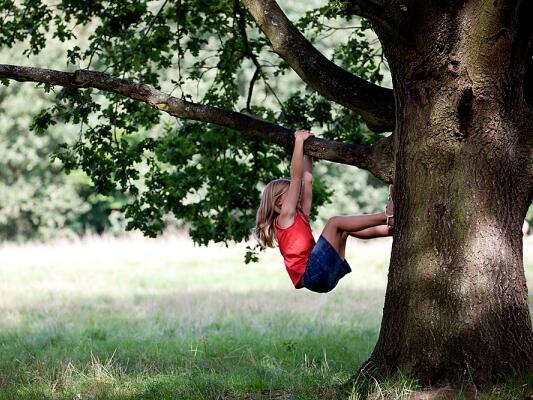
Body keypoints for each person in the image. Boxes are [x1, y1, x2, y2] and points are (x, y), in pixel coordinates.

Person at [254, 129, 394, 293]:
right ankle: (387, 216)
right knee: (334, 222)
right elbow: (297, 178)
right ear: (278, 201)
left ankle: (392, 229)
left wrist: (308, 152)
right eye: (292, 193)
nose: (297, 195)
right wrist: (298, 141)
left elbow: (307, 180)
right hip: (314, 274)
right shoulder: (285, 218)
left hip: (323, 277)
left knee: (344, 230)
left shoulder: (301, 215)